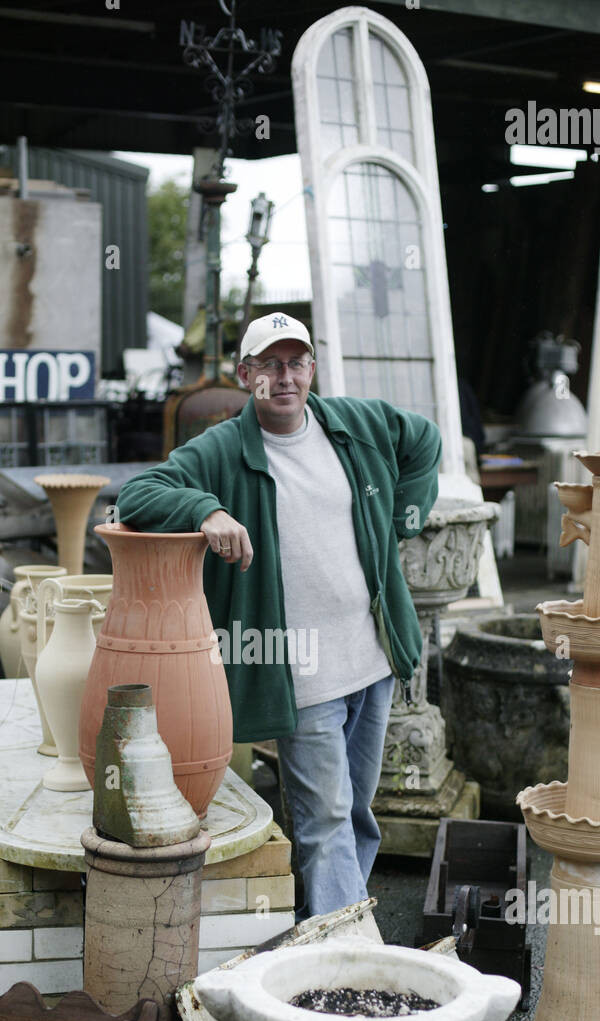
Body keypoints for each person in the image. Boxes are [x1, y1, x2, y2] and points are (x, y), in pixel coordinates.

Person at [114, 312, 440, 918]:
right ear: (247, 375)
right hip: (304, 674)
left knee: (358, 812)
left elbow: (425, 441)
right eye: (269, 365)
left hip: (371, 658)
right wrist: (205, 510)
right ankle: (341, 957)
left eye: (296, 362)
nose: (284, 376)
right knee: (325, 819)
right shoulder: (221, 450)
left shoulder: (357, 424)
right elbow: (136, 495)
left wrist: (405, 518)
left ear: (311, 369)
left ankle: (326, 923)